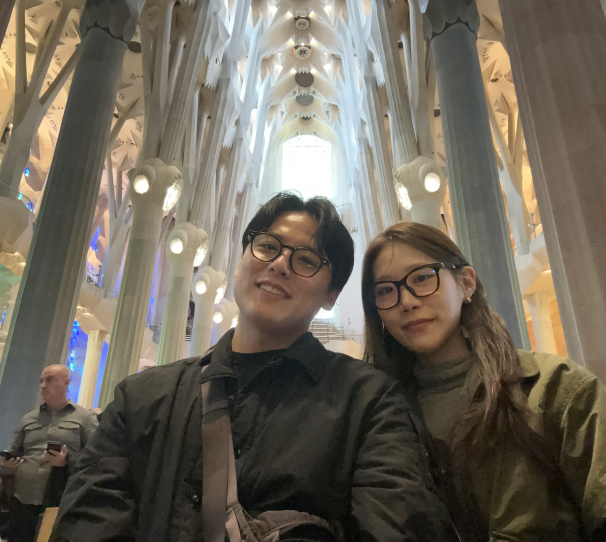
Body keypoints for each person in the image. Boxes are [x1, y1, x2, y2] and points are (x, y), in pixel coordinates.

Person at [53, 192, 456, 542]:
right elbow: (87, 523)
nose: (279, 264)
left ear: (331, 295)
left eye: (306, 260)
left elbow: (399, 526)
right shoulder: (140, 398)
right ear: (241, 261)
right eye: (267, 246)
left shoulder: (369, 403)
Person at [361, 221, 606, 541]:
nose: (406, 301)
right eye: (386, 291)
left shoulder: (555, 389)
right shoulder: (375, 416)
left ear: (465, 283)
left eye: (422, 278)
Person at [1, 365, 97, 542]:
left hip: (60, 499)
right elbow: (15, 450)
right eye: (41, 381)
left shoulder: (85, 418)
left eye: (50, 380)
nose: (43, 385)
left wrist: (66, 461)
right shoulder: (28, 419)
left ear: (66, 383)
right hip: (24, 497)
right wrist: (8, 463)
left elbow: (96, 460)